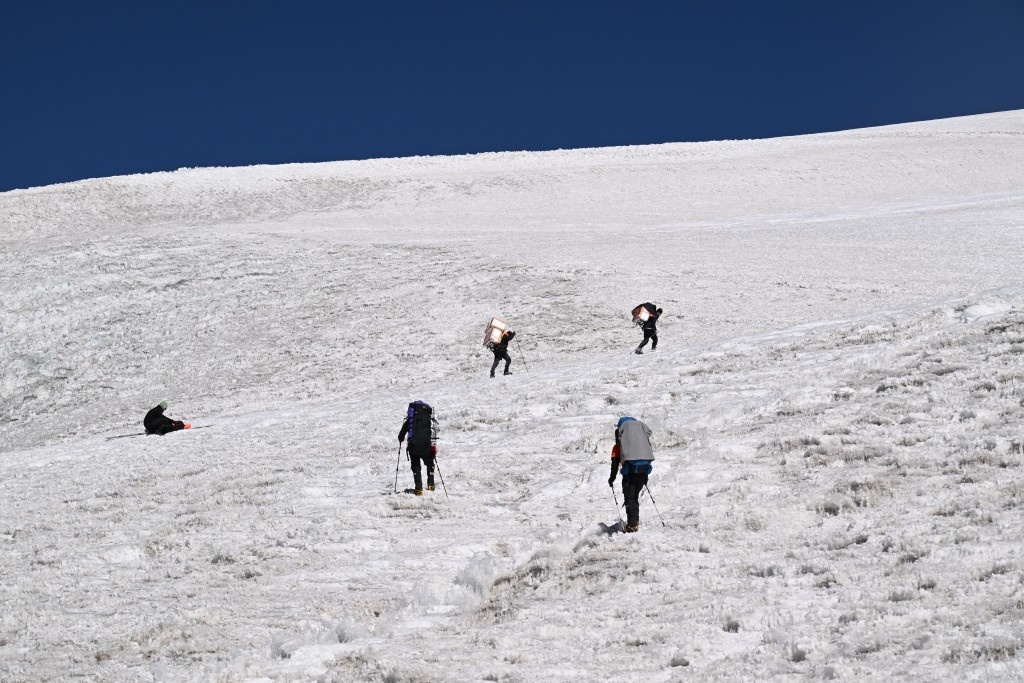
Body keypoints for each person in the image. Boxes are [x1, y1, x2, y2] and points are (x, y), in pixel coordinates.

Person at [608, 416, 654, 532]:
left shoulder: (619, 445)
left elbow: (615, 464)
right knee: (634, 498)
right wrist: (645, 478)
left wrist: (612, 479)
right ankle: (634, 522)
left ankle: (632, 525)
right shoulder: (641, 442)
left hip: (629, 474)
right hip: (643, 473)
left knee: (630, 498)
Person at [398, 400, 439, 495]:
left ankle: (419, 488)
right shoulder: (429, 419)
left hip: (414, 446)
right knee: (429, 463)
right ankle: (431, 485)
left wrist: (401, 439)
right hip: (426, 446)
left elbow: (401, 436)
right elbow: (434, 432)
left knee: (416, 466)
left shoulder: (411, 420)